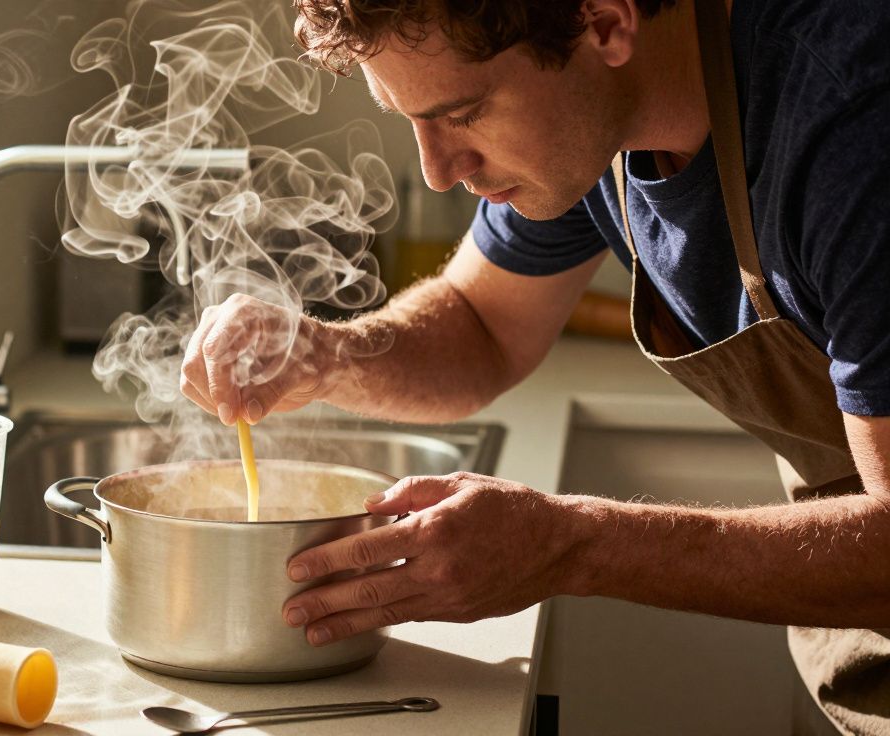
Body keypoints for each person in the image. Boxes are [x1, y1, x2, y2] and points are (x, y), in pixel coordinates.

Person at [178, 0, 890, 732]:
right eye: (409, 119)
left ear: (606, 24)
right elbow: (483, 327)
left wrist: (569, 543)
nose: (437, 171)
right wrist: (323, 355)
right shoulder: (589, 121)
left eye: (463, 113)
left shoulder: (852, 122)